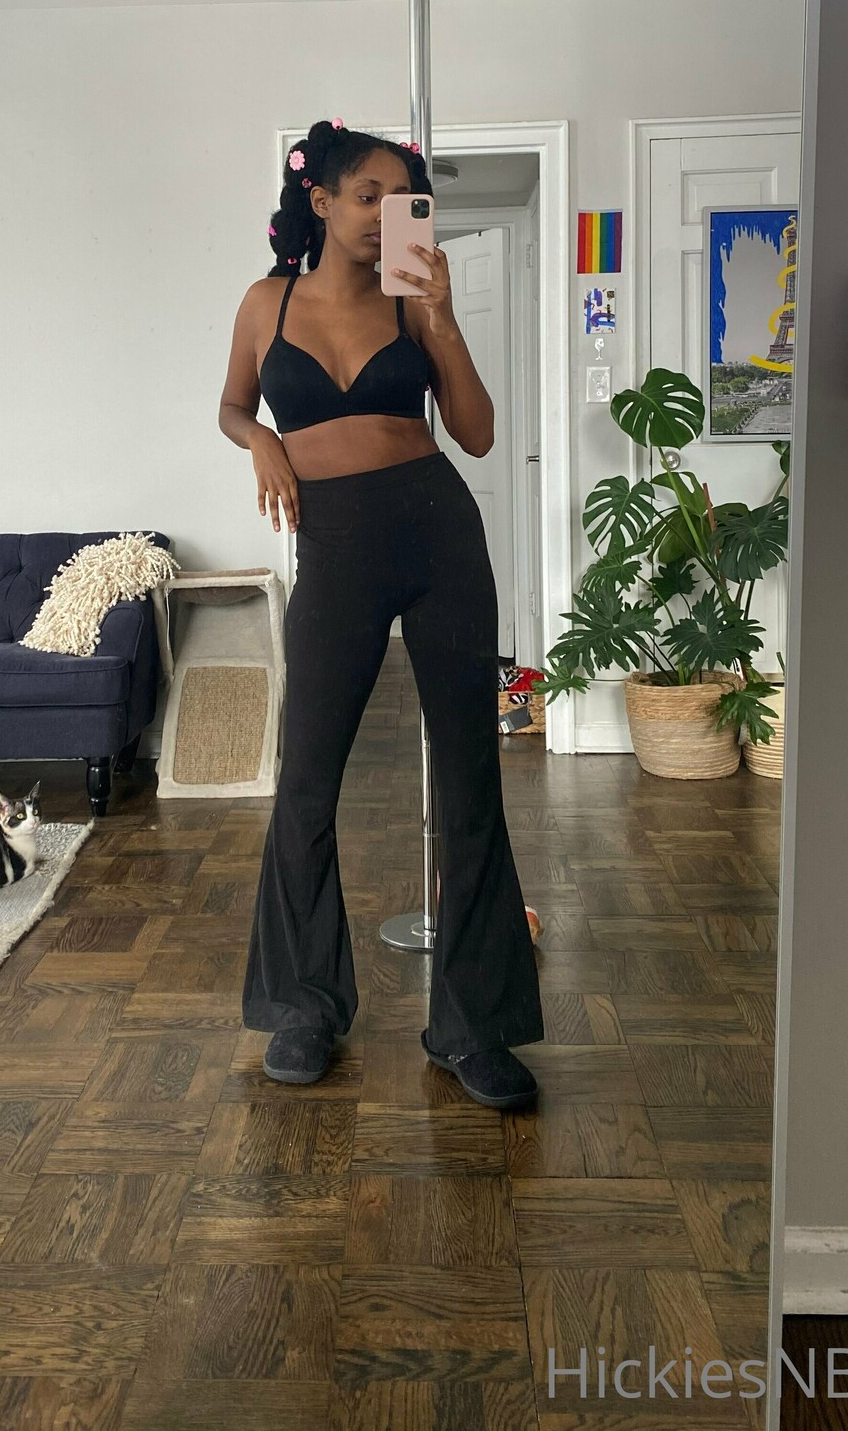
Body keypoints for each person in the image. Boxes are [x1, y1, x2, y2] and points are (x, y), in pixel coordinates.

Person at [217, 117, 545, 1111]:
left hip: (438, 534)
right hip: (336, 549)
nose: (386, 216)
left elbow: (478, 436)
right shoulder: (265, 302)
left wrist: (440, 318)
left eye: (406, 201)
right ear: (320, 201)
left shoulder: (413, 301)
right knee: (306, 778)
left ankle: (473, 1025)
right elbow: (233, 406)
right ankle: (305, 1004)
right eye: (370, 196)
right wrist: (262, 442)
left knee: (470, 777)